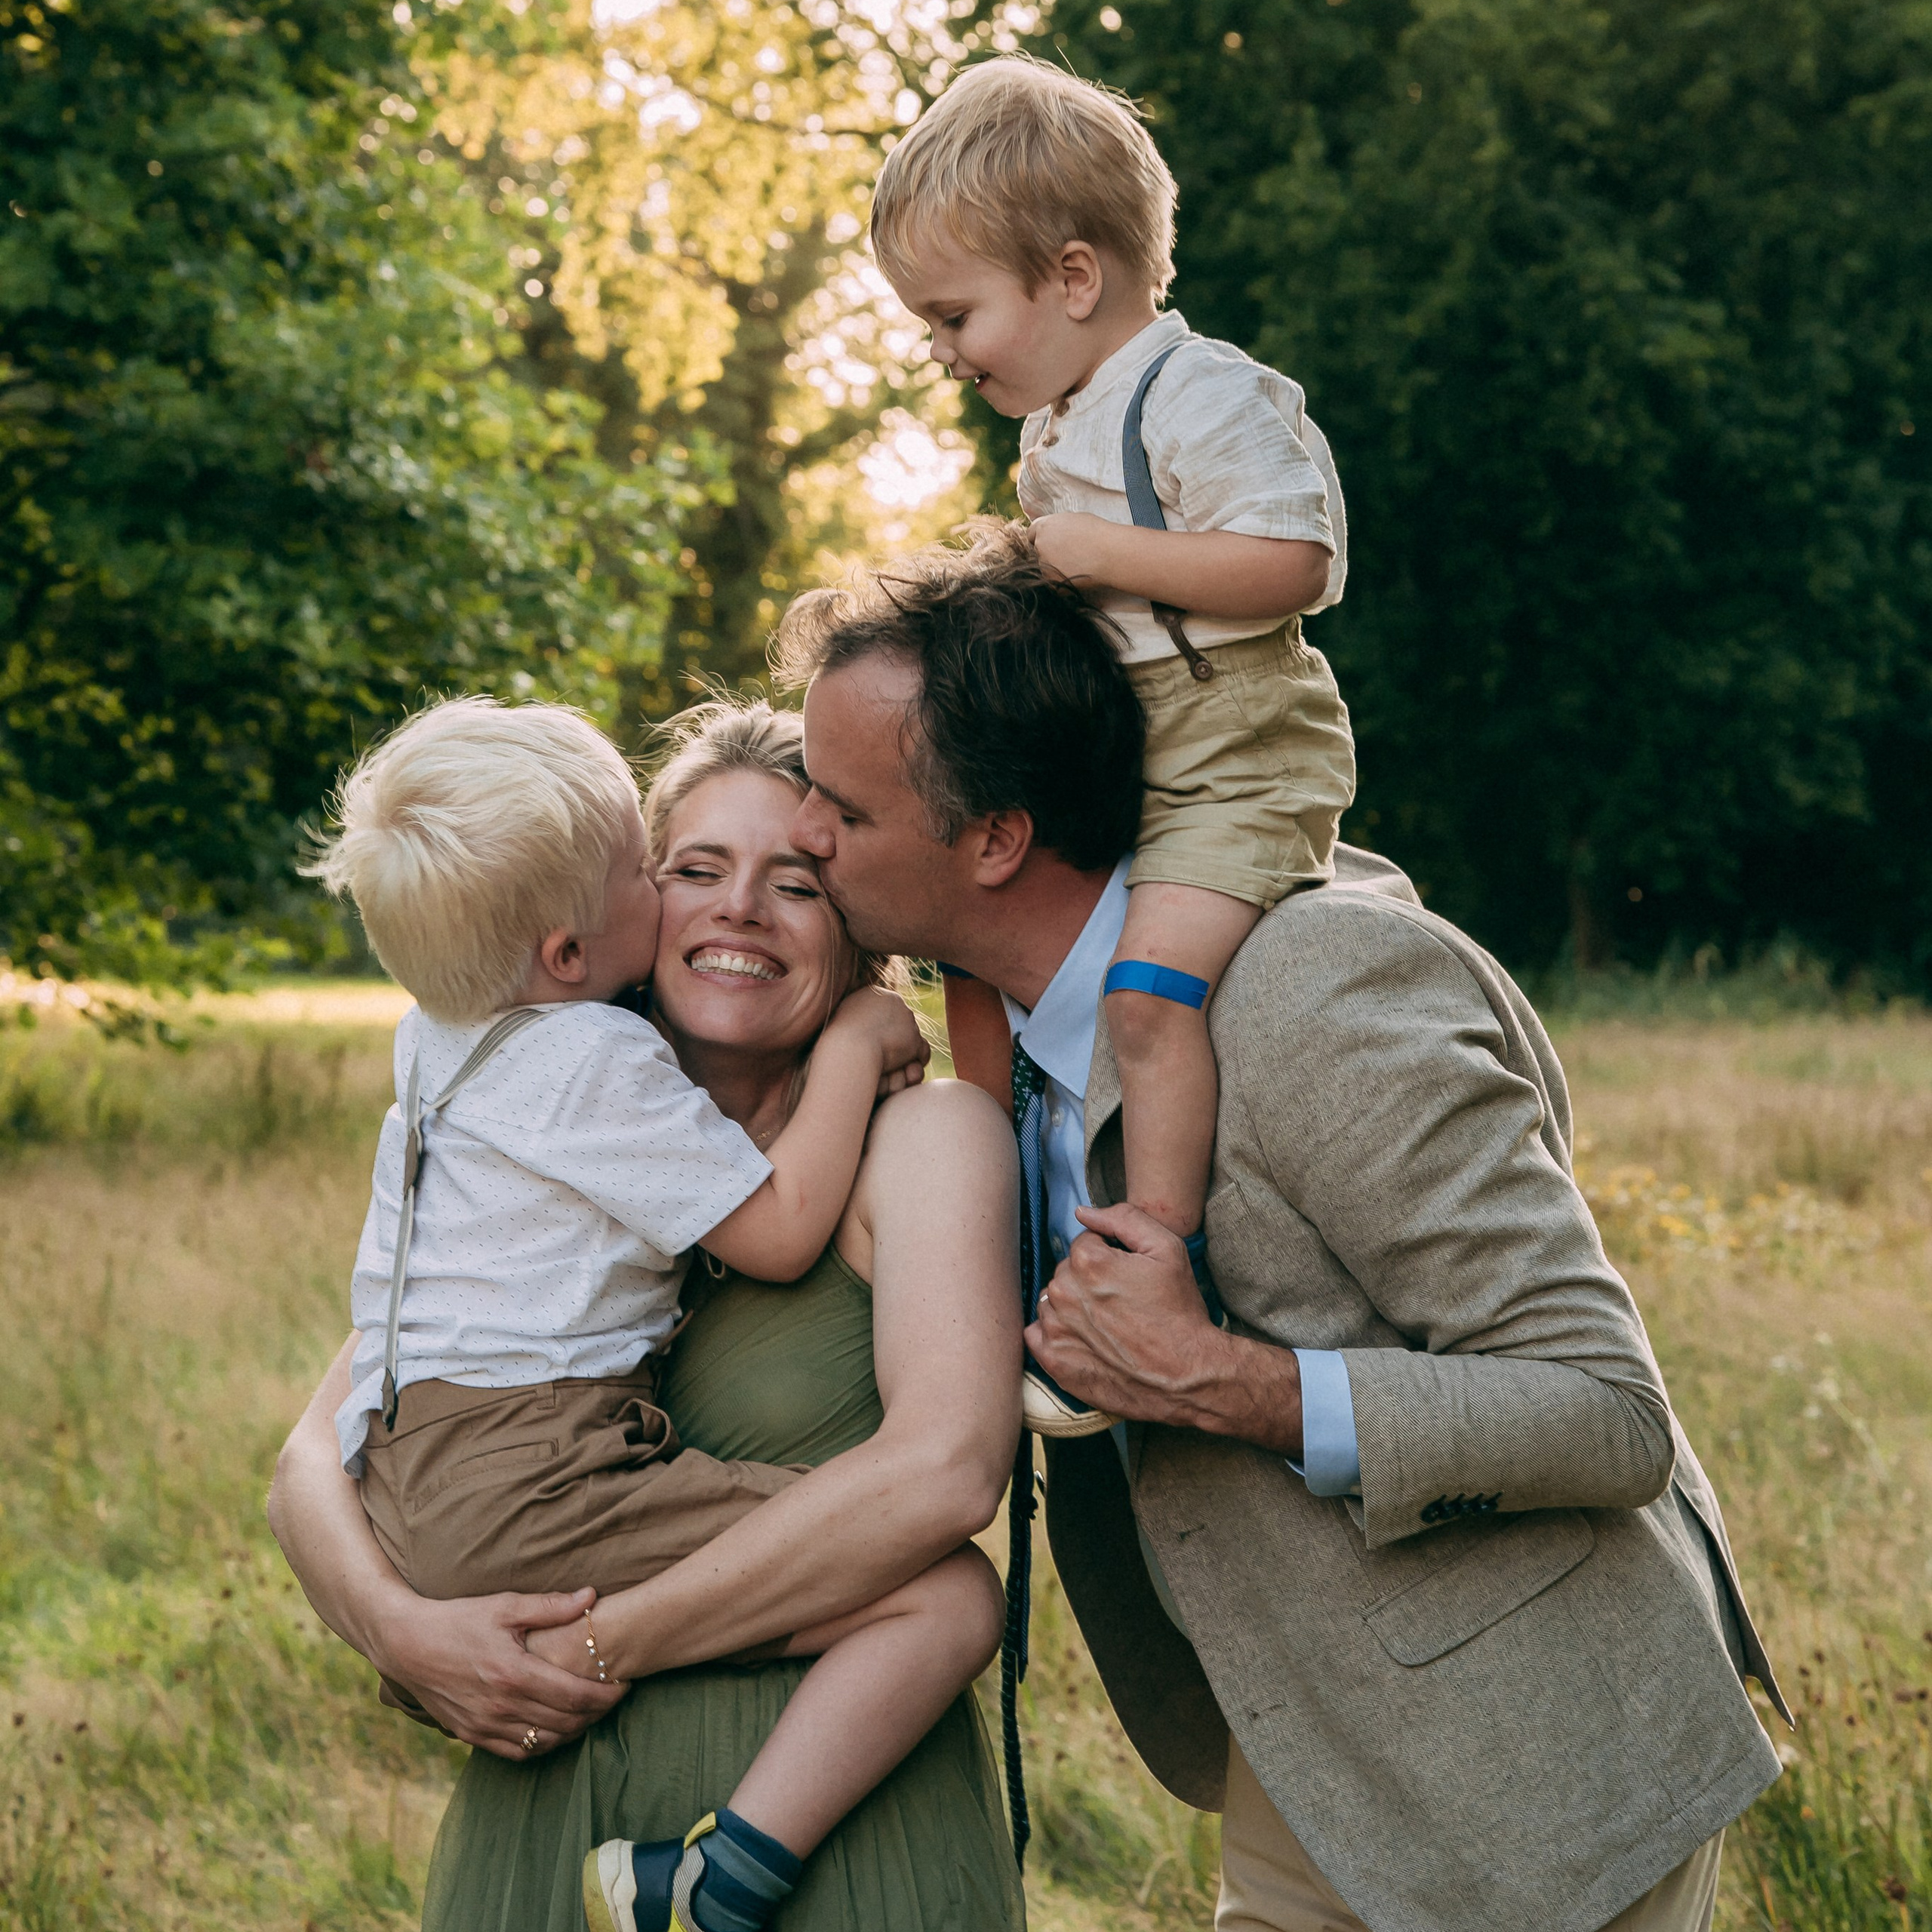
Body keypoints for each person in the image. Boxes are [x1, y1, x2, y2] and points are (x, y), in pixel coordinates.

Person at [777, 528, 1792, 1932]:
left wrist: (1226, 1383)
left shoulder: (1312, 991)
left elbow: (1608, 1415)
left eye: (841, 808)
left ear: (997, 839)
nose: (803, 832)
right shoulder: (993, 1035)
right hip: (1307, 1760)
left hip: (1542, 1777)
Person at [270, 699, 1026, 1932]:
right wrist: (403, 1637)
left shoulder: (920, 1138)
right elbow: (310, 1458)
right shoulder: (543, 1164)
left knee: (946, 1596)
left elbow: (945, 1474)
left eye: (797, 883)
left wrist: (584, 1650)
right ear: (600, 924)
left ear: (860, 922)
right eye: (692, 870)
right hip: (553, 1807)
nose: (741, 910)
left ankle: (728, 1871)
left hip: (834, 1831)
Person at [870, 57, 1355, 1435]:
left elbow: (1298, 562)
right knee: (975, 963)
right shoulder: (1058, 424)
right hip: (1124, 752)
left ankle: (1155, 1266)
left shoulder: (1200, 394)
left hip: (1232, 759)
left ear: (1074, 278)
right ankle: (1010, 1246)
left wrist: (1095, 553)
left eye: (954, 316)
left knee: (1146, 1003)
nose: (942, 351)